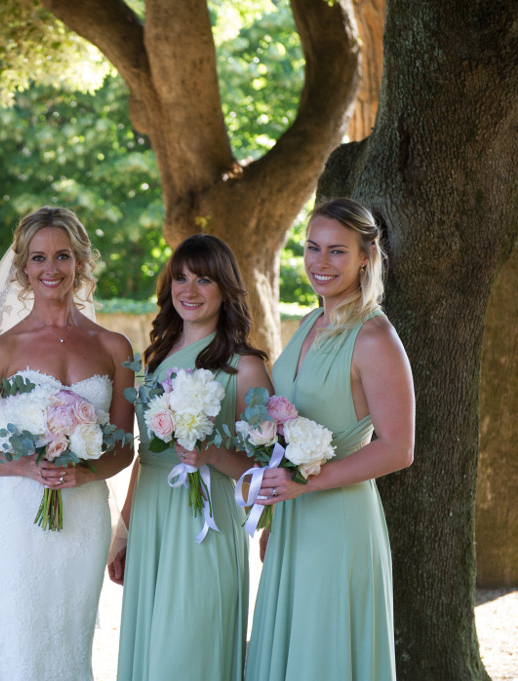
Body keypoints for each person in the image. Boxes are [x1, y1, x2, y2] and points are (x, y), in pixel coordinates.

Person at [0, 206, 136, 681]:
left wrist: (87, 471)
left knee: (69, 643)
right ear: (23, 267)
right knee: (14, 642)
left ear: (80, 263)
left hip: (83, 515)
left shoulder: (115, 348)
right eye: (38, 258)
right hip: (14, 515)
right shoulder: (0, 350)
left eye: (62, 256)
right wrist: (23, 467)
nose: (51, 269)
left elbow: (122, 447)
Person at [244, 198, 414, 681]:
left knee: (324, 651)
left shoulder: (374, 337)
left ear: (366, 256)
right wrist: (277, 511)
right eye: (313, 248)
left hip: (339, 520)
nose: (321, 263)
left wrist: (305, 485)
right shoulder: (308, 323)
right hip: (294, 516)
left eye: (337, 251)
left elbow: (398, 448)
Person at [109, 235, 272, 681]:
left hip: (207, 523)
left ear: (225, 289)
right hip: (153, 516)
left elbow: (268, 471)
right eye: (180, 278)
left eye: (204, 279)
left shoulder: (246, 367)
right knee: (151, 646)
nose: (189, 289)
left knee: (188, 649)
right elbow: (146, 453)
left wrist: (213, 455)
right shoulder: (156, 357)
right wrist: (125, 531)